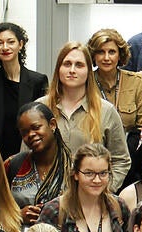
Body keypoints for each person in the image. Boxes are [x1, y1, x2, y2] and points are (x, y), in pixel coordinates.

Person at [38, 143, 134, 232]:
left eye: (103, 173)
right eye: (89, 173)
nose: (97, 180)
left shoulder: (119, 207)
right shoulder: (55, 211)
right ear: (76, 174)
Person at [41, 42, 130, 191]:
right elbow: (25, 158)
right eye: (67, 64)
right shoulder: (41, 109)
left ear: (89, 71)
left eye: (79, 65)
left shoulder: (106, 111)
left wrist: (104, 190)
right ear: (58, 69)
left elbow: (121, 159)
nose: (72, 70)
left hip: (92, 201)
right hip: (47, 200)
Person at [0, 23, 49, 159]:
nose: (5, 47)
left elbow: (44, 124)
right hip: (0, 156)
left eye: (11, 42)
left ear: (20, 44)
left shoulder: (38, 81)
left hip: (31, 153)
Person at [89, 29, 142, 163]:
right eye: (100, 52)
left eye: (111, 52)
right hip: (92, 155)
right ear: (93, 55)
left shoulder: (136, 82)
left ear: (120, 55)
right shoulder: (85, 83)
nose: (106, 58)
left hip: (130, 156)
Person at [6, 103, 67, 227]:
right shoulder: (13, 165)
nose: (31, 134)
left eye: (36, 127)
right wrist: (17, 215)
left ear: (52, 125)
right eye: (25, 132)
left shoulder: (73, 166)